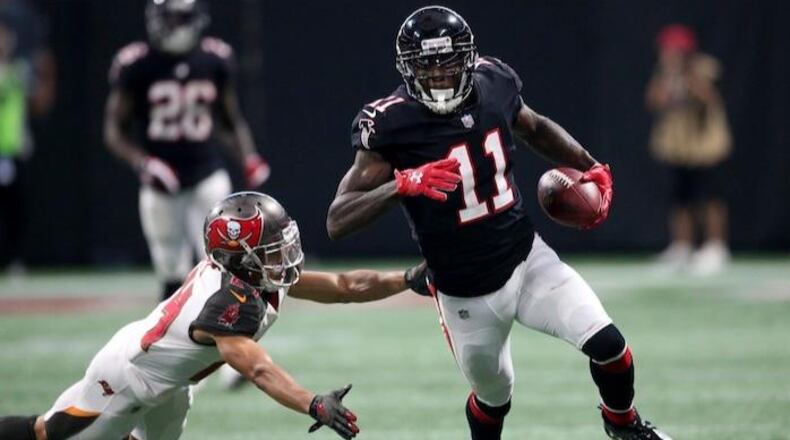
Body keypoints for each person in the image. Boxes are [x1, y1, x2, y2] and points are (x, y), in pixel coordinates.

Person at [327, 6, 671, 440]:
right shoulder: (391, 122)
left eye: (449, 64)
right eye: (426, 67)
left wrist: (589, 166)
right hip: (463, 291)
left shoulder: (495, 82)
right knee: (495, 397)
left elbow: (534, 127)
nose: (438, 77)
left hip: (526, 258)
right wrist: (401, 184)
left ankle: (625, 426)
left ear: (469, 60)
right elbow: (337, 219)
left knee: (610, 346)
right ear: (407, 69)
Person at [0, 191, 429, 439]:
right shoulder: (229, 300)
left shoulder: (253, 275)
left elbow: (343, 288)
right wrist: (312, 403)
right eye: (271, 248)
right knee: (49, 433)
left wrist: (407, 278)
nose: (284, 254)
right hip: (127, 379)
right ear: (238, 257)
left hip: (172, 384)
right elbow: (258, 370)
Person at [104, 0, 270, 300]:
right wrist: (143, 163)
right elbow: (114, 130)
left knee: (224, 261)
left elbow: (229, 120)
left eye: (177, 18)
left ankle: (225, 325)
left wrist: (249, 156)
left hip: (207, 172)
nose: (171, 25)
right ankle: (174, 335)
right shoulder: (136, 63)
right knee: (170, 268)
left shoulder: (214, 59)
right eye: (167, 18)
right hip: (160, 179)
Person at [646, 24, 732, 275]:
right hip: (678, 147)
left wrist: (686, 76)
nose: (667, 55)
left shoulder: (704, 67)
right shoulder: (663, 74)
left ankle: (716, 246)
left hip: (706, 145)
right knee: (680, 198)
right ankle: (682, 246)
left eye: (673, 51)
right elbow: (653, 101)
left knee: (711, 197)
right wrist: (668, 80)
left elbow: (708, 98)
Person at [0, 0, 56, 273]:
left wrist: (45, 73)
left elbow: (40, 100)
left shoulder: (18, 70)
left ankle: (14, 260)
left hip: (12, 148)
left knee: (16, 210)